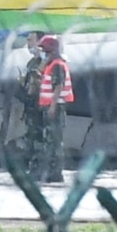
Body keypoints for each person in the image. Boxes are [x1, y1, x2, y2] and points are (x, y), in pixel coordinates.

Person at [37, 34, 72, 183]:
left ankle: (56, 173)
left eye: (45, 51)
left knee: (55, 141)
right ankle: (50, 171)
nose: (43, 54)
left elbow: (58, 86)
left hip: (55, 107)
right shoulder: (51, 64)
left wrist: (52, 106)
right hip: (50, 106)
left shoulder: (57, 65)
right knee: (49, 140)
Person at [15, 31, 46, 179]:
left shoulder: (45, 61)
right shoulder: (31, 63)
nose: (28, 43)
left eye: (31, 40)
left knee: (40, 137)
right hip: (30, 105)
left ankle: (40, 167)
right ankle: (32, 166)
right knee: (31, 136)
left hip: (41, 104)